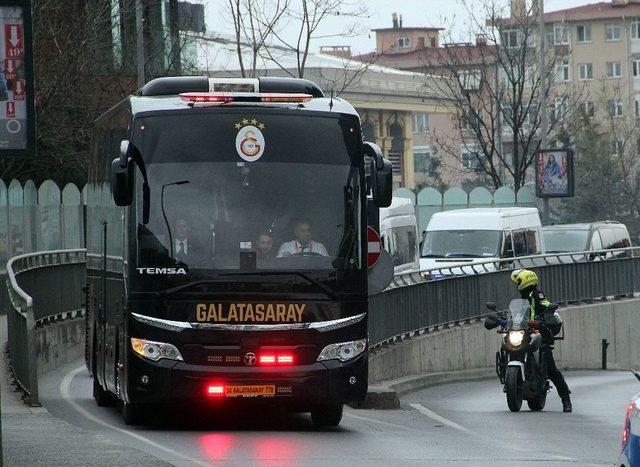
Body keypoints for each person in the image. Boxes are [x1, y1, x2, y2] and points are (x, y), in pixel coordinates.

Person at [510, 268, 572, 413]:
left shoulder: (537, 294)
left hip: (540, 335)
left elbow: (546, 304)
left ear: (524, 282)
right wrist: (504, 320)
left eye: (518, 282)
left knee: (551, 369)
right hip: (524, 333)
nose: (517, 285)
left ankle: (566, 399)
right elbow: (517, 315)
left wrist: (549, 313)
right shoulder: (522, 300)